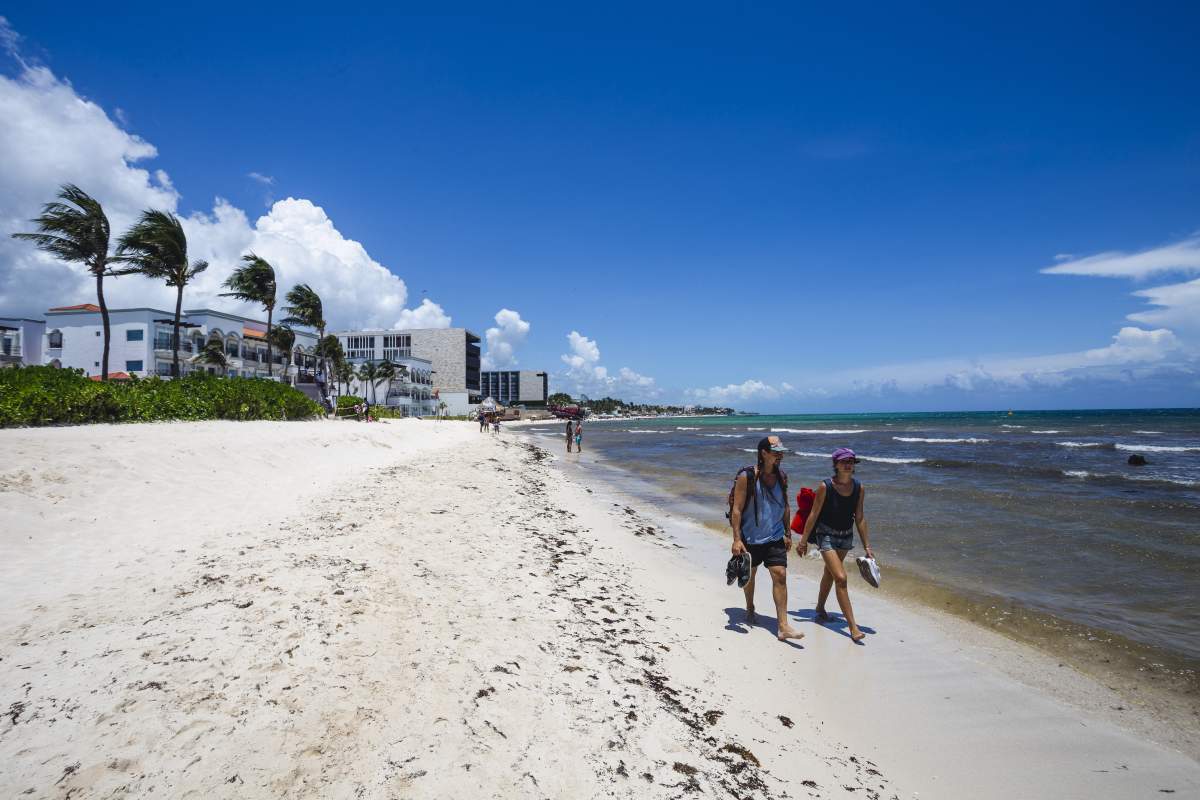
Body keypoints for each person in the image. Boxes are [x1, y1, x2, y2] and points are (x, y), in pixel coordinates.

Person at [730, 435, 804, 642]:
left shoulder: (782, 476)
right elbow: (736, 509)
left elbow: (786, 504)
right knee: (750, 577)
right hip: (750, 538)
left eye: (781, 452)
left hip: (774, 536)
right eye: (775, 451)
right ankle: (750, 606)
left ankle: (783, 626)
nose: (780, 455)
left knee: (780, 574)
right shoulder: (747, 476)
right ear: (764, 453)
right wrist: (737, 539)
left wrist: (787, 532)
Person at [799, 448, 875, 643]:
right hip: (826, 536)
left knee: (829, 573)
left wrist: (867, 546)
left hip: (845, 537)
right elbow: (814, 514)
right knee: (840, 578)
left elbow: (860, 518)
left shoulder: (859, 487)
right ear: (836, 464)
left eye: (851, 461)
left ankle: (819, 608)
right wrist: (803, 540)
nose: (848, 464)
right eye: (844, 461)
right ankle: (853, 627)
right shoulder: (826, 486)